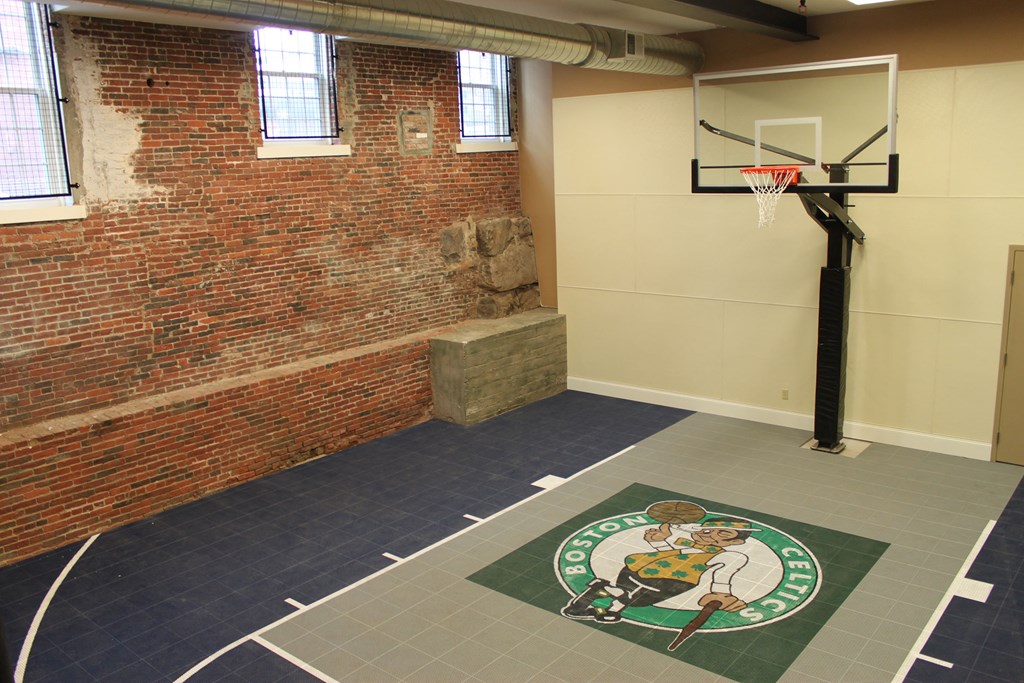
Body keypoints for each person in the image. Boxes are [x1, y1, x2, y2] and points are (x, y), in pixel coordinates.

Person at [561, 517, 759, 623]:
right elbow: (671, 554)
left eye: (722, 533)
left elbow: (723, 575)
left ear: (737, 541)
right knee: (620, 592)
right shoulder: (689, 545)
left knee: (630, 598)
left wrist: (721, 594)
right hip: (636, 569)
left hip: (672, 581)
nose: (708, 534)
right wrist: (659, 541)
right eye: (705, 530)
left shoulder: (729, 555)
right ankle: (598, 610)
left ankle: (599, 608)